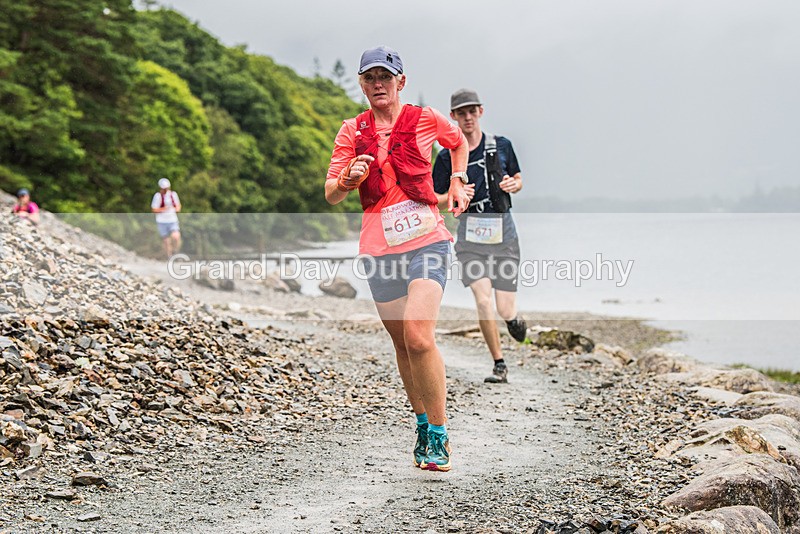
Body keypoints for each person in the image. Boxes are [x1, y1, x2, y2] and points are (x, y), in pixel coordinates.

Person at [325, 46, 469, 472]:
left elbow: (457, 144)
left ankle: (440, 435)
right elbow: (331, 193)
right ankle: (422, 425)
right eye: (370, 78)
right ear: (362, 84)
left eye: (385, 77)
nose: (378, 84)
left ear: (400, 82)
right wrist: (349, 179)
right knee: (403, 345)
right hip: (378, 248)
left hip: (428, 239)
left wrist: (457, 181)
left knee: (419, 336)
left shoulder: (425, 118)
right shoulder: (351, 131)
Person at [433, 89, 528, 384]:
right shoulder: (447, 158)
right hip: (470, 240)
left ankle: (513, 321)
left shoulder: (501, 145)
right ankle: (499, 364)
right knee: (483, 300)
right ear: (453, 117)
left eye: (472, 111)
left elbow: (518, 179)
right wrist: (452, 193)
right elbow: (434, 198)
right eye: (461, 113)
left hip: (504, 236)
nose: (468, 117)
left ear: (481, 112)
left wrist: (514, 184)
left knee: (504, 308)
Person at [151, 178, 182, 258]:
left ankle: (175, 252)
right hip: (161, 221)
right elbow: (154, 209)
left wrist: (175, 209)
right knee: (166, 241)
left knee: (176, 236)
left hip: (172, 220)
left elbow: (178, 206)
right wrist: (164, 209)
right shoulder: (157, 196)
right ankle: (169, 256)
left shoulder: (173, 195)